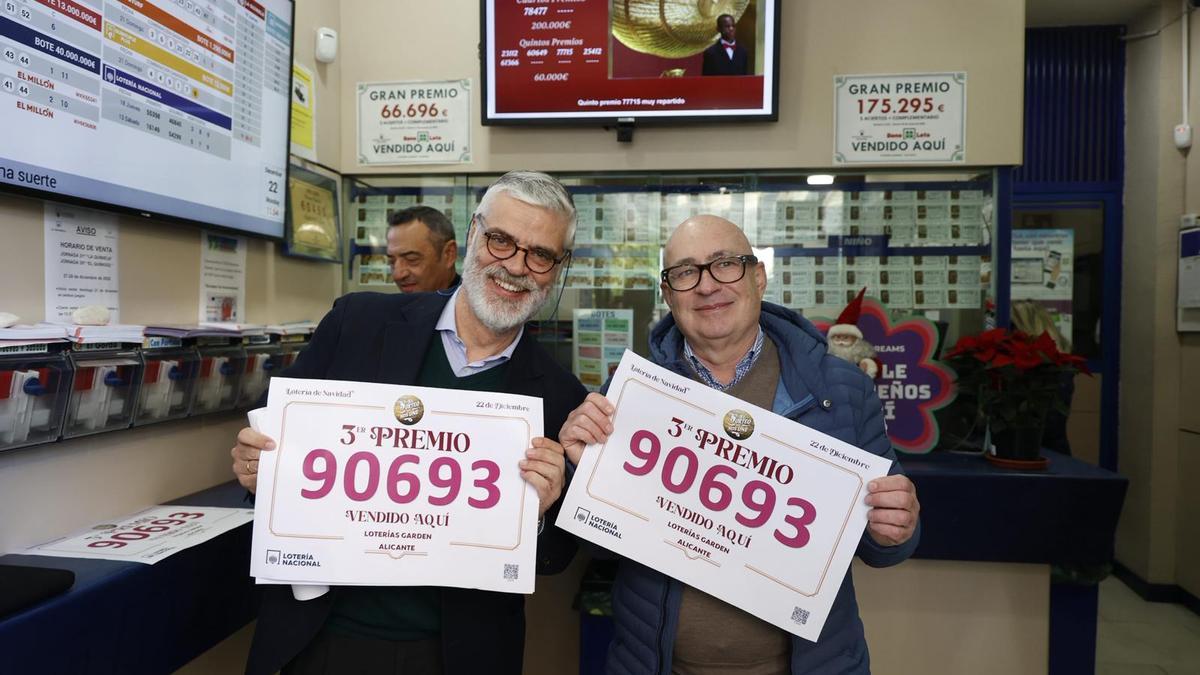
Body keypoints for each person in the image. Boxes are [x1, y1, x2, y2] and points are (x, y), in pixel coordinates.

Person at [230, 170, 587, 675]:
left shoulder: (561, 397)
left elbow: (554, 557)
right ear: (472, 235)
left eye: (541, 254)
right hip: (320, 638)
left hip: (457, 655)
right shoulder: (357, 323)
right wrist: (256, 466)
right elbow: (271, 447)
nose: (515, 266)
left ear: (558, 268)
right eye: (501, 240)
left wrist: (546, 508)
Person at [559, 215, 921, 674]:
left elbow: (881, 547)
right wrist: (578, 474)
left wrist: (897, 527)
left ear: (758, 277)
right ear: (668, 293)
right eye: (686, 272)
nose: (707, 286)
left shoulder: (843, 390)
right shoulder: (631, 394)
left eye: (725, 264)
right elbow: (599, 545)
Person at [386, 205, 460, 293]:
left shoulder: (472, 300)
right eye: (392, 262)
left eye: (411, 259)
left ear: (449, 254)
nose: (397, 275)